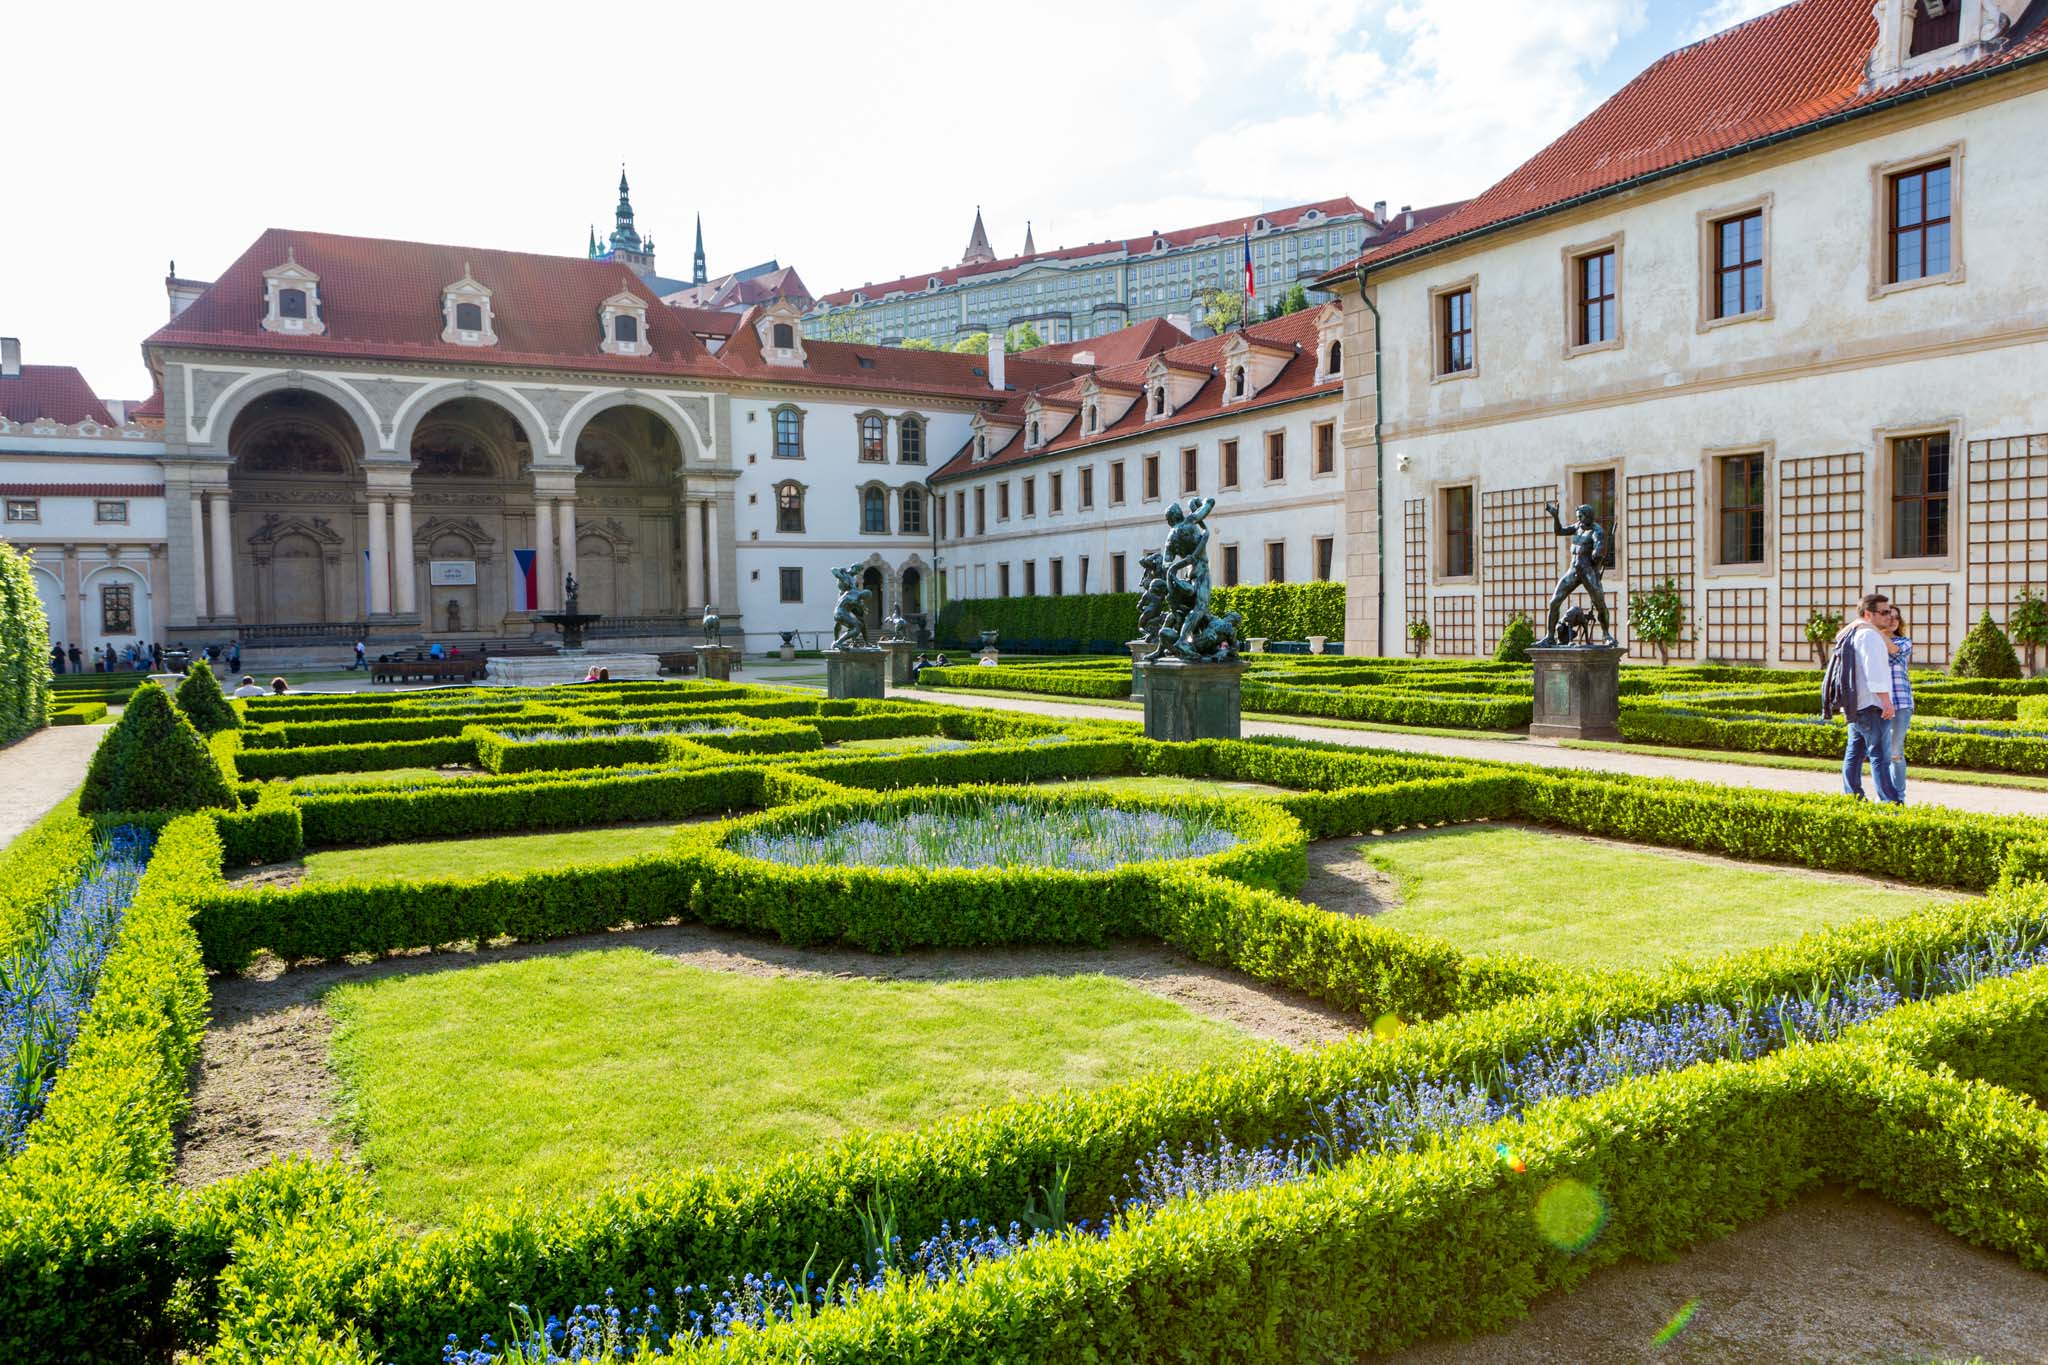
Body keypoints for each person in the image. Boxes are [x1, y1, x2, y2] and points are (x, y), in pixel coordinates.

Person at [1835, 593, 1901, 804]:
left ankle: (1853, 797)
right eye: (1883, 612)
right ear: (1868, 614)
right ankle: (1891, 803)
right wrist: (1886, 700)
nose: (1889, 616)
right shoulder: (1869, 636)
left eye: (1889, 611)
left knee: (1854, 753)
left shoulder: (1854, 633)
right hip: (1871, 704)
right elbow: (1874, 672)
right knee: (1880, 756)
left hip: (1856, 704)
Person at [1881, 605, 1915, 801]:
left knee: (1895, 752)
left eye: (1896, 617)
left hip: (1901, 703)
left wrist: (1878, 631)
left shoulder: (1904, 641)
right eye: (1888, 616)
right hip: (1879, 703)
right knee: (1880, 753)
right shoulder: (1873, 642)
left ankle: (1899, 797)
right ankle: (1885, 794)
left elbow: (1894, 651)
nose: (1893, 620)